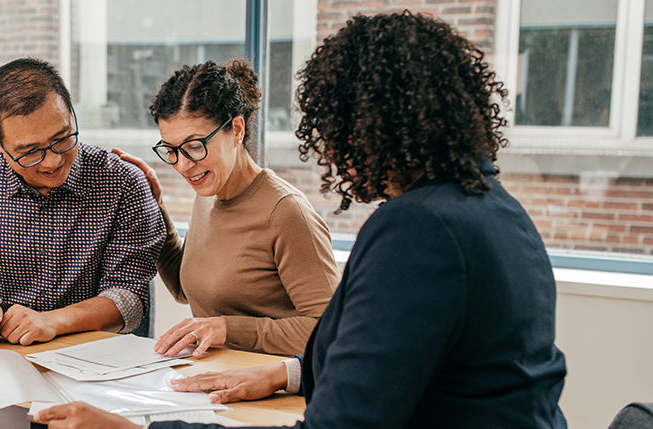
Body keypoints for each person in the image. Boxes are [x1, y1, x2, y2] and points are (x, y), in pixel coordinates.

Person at [37, 12, 567, 429]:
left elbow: (342, 415)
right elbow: (405, 366)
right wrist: (289, 374)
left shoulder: (418, 230)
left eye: (336, 133)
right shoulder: (496, 209)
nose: (335, 155)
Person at [0, 58, 166, 346]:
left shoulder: (123, 183)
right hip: (10, 352)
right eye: (29, 151)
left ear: (71, 112)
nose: (52, 161)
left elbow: (128, 298)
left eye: (62, 138)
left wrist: (52, 321)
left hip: (100, 356)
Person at [116, 58, 340, 358]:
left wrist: (226, 329)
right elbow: (186, 288)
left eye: (195, 146)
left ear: (236, 129)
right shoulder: (208, 194)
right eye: (171, 150)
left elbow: (328, 331)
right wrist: (153, 206)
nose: (183, 165)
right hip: (211, 379)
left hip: (268, 393)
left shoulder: (286, 212)